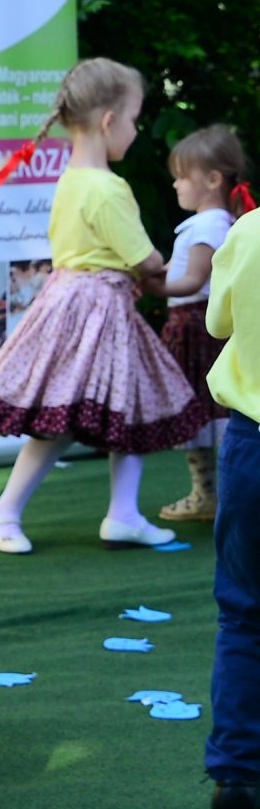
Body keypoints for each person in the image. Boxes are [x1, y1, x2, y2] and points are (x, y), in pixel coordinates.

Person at [0, 59, 210, 553]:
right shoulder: (107, 188)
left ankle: (119, 514)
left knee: (119, 406)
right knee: (77, 415)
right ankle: (10, 509)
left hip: (81, 305)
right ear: (108, 120)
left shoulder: (71, 178)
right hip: (96, 310)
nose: (137, 131)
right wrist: (160, 267)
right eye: (135, 119)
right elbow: (146, 257)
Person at [146, 125, 248, 520]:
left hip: (195, 327)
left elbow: (191, 280)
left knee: (204, 413)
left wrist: (149, 283)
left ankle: (210, 494)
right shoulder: (212, 224)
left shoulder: (208, 225)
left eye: (182, 176)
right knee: (207, 414)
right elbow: (180, 270)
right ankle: (210, 493)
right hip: (195, 325)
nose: (175, 185)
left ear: (212, 179)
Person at [202, 188, 259, 809]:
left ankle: (237, 770)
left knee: (245, 614)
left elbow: (220, 321)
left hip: (254, 443)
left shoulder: (249, 232)